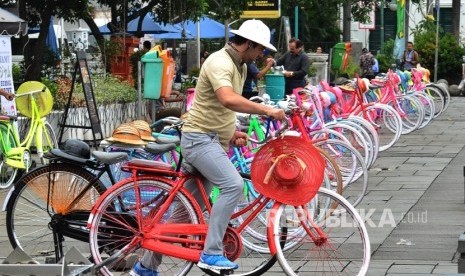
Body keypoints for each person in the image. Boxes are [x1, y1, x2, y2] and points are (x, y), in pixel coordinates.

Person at [130, 19, 285, 275]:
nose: (261, 55)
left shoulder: (240, 66)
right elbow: (227, 98)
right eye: (260, 50)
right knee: (233, 185)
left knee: (183, 213)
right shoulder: (220, 61)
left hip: (210, 139)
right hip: (200, 140)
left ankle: (145, 266)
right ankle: (212, 253)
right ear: (247, 44)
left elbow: (218, 107)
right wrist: (266, 109)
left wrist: (231, 132)